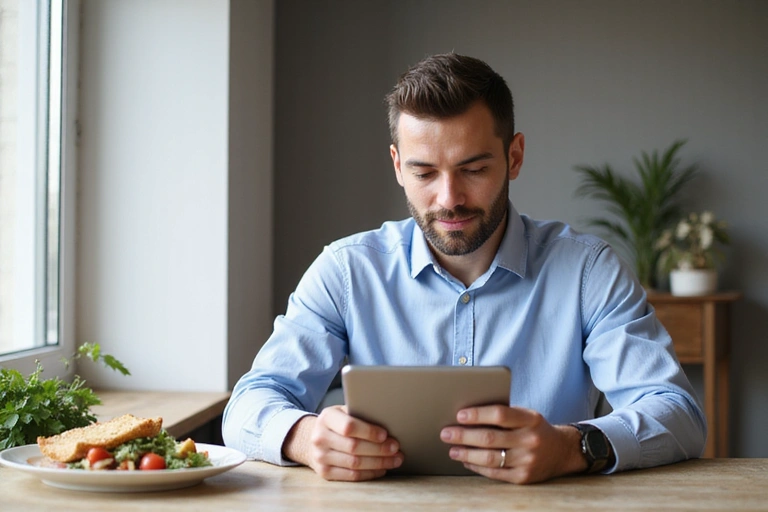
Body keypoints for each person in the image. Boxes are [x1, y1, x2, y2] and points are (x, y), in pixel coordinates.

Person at [222, 53, 706, 484]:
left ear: (514, 157)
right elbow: (249, 403)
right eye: (424, 172)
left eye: (473, 169)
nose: (449, 198)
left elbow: (678, 413)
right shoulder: (346, 271)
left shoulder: (587, 272)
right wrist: (305, 438)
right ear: (397, 166)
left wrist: (572, 448)